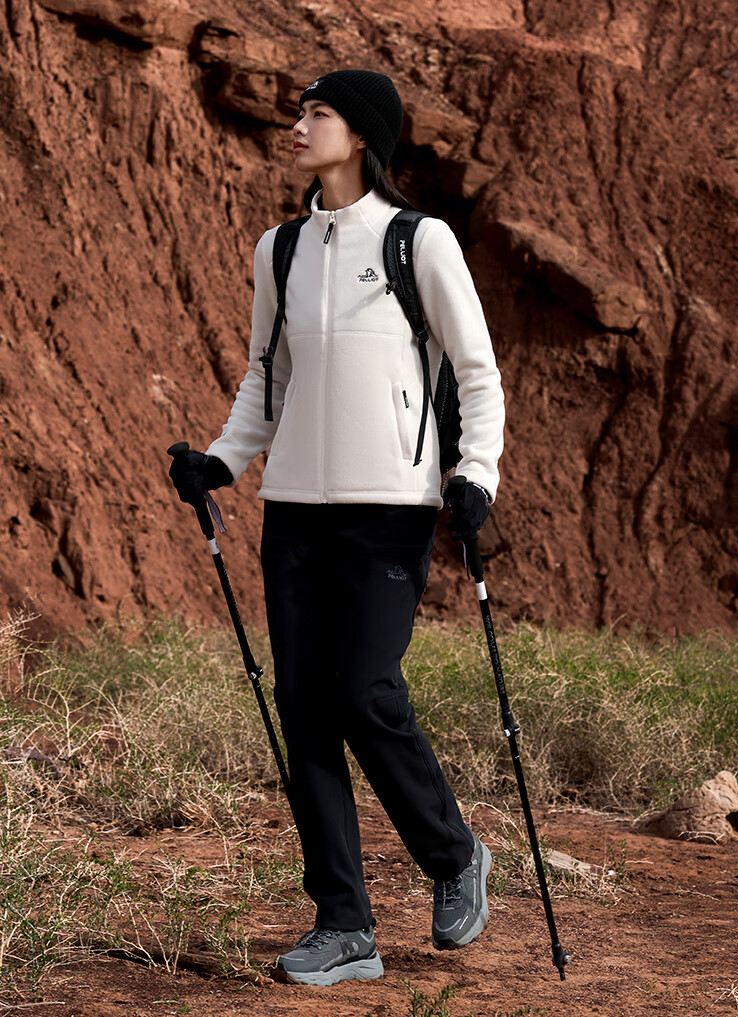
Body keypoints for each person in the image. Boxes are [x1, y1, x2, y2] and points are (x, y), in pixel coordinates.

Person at [169, 69, 505, 986]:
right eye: (299, 112)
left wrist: (475, 471)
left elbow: (477, 370)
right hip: (294, 511)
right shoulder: (279, 248)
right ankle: (344, 923)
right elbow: (265, 378)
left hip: (390, 506)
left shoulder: (418, 240)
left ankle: (454, 854)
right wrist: (223, 461)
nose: (299, 125)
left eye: (317, 113)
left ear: (362, 135)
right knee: (305, 707)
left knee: (364, 690)